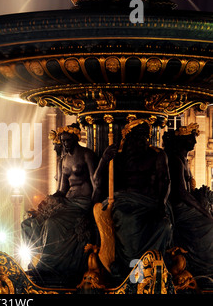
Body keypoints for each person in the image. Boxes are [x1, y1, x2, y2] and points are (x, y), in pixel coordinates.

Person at [22, 123, 98, 286]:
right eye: (63, 141)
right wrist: (47, 202)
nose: (65, 144)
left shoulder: (86, 155)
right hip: (68, 202)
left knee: (52, 222)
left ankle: (49, 266)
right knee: (31, 222)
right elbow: (62, 189)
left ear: (76, 139)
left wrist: (94, 208)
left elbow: (95, 183)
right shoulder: (63, 160)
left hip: (83, 203)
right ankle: (36, 260)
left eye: (68, 140)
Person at [94, 119, 172, 277]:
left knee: (164, 224)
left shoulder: (157, 155)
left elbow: (165, 181)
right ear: (127, 138)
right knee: (128, 219)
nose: (141, 141)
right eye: (136, 137)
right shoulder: (119, 157)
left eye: (144, 137)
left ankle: (152, 266)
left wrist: (162, 204)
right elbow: (97, 182)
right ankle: (130, 265)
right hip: (124, 202)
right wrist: (104, 160)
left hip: (150, 204)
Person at [163, 123, 213, 287]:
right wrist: (201, 209)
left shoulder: (182, 159)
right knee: (209, 225)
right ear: (182, 140)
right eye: (191, 138)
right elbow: (180, 192)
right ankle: (203, 265)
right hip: (178, 208)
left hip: (184, 205)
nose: (195, 142)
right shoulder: (175, 160)